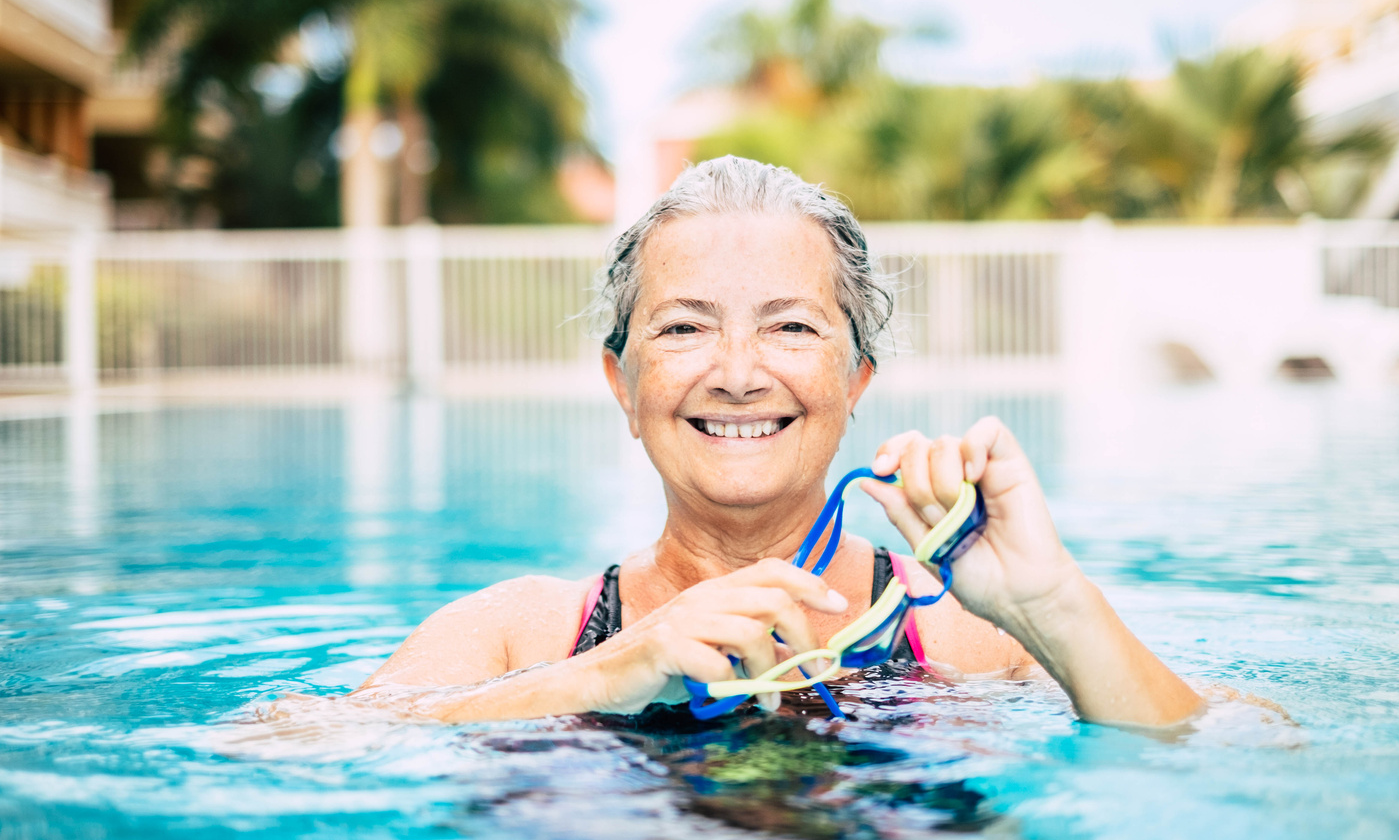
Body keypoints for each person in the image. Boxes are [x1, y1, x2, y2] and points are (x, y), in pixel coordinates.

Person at [346, 156, 1204, 727]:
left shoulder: (968, 641)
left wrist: (1051, 608)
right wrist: (603, 673)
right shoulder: (520, 638)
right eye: (684, 329)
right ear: (624, 387)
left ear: (854, 380)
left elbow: (1236, 750)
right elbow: (282, 751)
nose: (738, 373)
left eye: (790, 327)